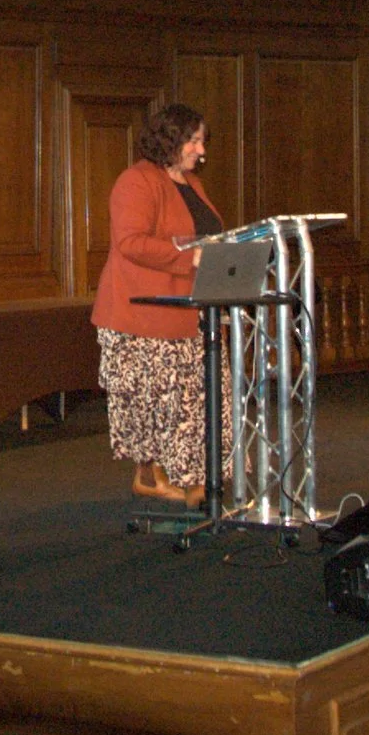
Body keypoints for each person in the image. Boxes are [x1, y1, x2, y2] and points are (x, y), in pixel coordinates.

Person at [91, 102, 221, 507]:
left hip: (191, 309)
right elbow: (131, 243)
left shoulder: (192, 183)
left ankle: (200, 478)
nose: (201, 150)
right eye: (194, 140)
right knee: (159, 406)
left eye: (202, 141)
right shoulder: (136, 181)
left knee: (196, 402)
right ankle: (157, 475)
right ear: (171, 139)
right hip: (142, 313)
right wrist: (192, 257)